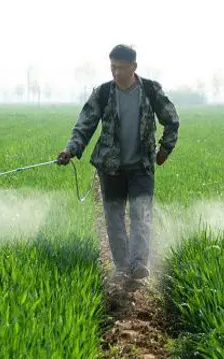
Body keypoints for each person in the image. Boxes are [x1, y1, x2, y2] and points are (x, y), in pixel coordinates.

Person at [57, 44, 180, 283]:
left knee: (140, 213)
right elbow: (84, 125)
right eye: (112, 67)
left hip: (141, 167)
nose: (116, 73)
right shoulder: (102, 93)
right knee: (113, 218)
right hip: (110, 168)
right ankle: (123, 267)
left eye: (121, 68)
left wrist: (165, 148)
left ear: (134, 66)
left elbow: (172, 120)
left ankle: (138, 264)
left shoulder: (151, 91)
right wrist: (70, 149)